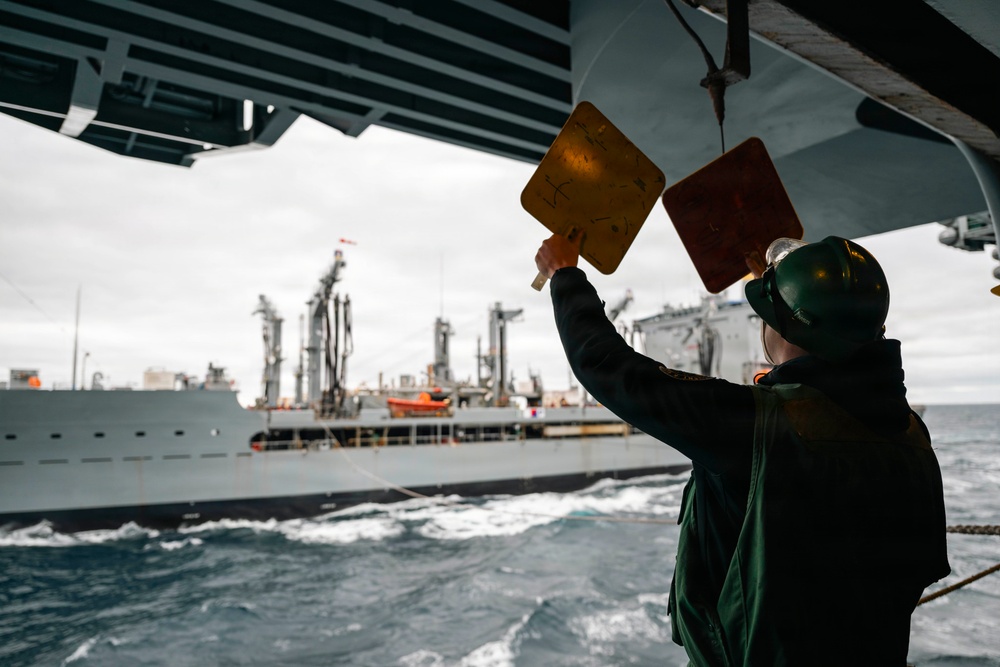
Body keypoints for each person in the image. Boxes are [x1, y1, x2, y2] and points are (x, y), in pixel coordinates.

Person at [534, 232, 950, 666]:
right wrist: (785, 295)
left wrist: (565, 274)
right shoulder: (910, 435)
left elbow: (609, 368)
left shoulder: (756, 426)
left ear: (785, 328)